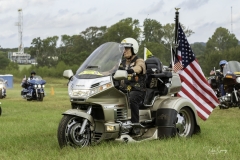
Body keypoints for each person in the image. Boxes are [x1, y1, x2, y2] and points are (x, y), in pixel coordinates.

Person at [120, 37, 146, 135]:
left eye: (126, 48)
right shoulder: (122, 63)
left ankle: (135, 126)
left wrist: (131, 70)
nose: (124, 51)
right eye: (123, 48)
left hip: (138, 90)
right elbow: (112, 70)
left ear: (133, 49)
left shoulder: (139, 60)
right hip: (124, 89)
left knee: (132, 98)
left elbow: (139, 68)